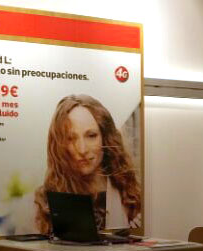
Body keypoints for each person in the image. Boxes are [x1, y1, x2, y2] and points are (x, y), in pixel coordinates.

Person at [33, 94, 142, 234]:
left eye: (91, 136)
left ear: (105, 137)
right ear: (60, 145)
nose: (82, 149)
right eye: (71, 138)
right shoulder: (46, 199)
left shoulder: (128, 190)